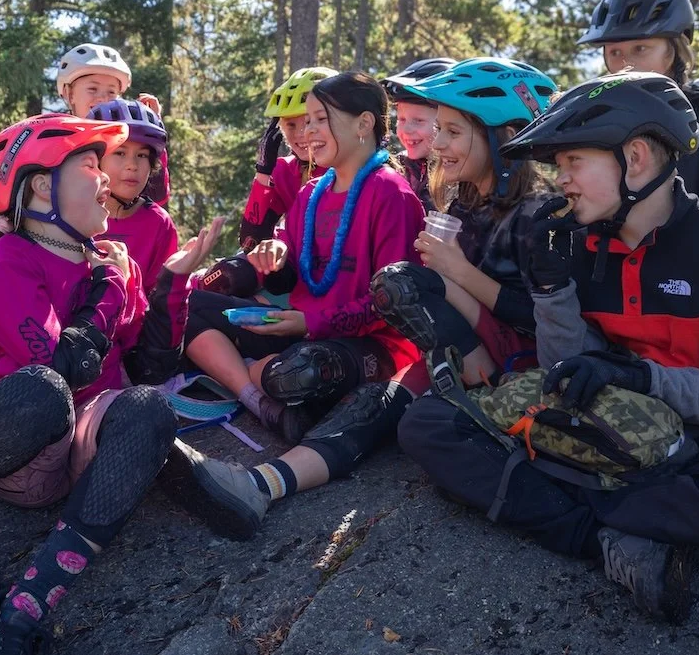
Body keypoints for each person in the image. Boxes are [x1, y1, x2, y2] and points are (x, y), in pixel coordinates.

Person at [0, 113, 247, 653]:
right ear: (41, 185)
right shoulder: (6, 258)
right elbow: (66, 365)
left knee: (147, 406)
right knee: (42, 389)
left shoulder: (101, 263)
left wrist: (171, 281)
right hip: (22, 449)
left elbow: (152, 364)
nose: (107, 178)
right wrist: (110, 284)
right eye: (91, 164)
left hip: (84, 451)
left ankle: (23, 605)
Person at [398, 72, 699, 623]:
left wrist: (640, 376)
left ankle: (589, 517)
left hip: (697, 451)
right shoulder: (580, 242)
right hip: (602, 434)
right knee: (427, 427)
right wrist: (552, 289)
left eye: (573, 162)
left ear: (636, 158)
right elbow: (560, 369)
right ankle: (605, 540)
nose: (562, 181)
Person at [172, 73, 426, 538]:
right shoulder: (311, 193)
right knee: (193, 304)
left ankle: (264, 381)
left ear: (363, 124)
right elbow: (289, 251)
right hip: (303, 327)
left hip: (364, 342)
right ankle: (261, 400)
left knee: (297, 372)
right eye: (304, 121)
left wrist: (310, 321)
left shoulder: (392, 193)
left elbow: (393, 300)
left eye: (320, 119)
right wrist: (276, 255)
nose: (306, 132)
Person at [371, 57, 557, 387]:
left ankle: (486, 385)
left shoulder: (538, 211)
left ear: (507, 139)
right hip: (468, 337)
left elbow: (543, 320)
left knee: (404, 282)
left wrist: (457, 271)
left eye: (453, 132)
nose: (438, 143)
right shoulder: (466, 200)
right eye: (439, 128)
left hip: (522, 358)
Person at [578, 0, 699, 213]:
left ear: (674, 51)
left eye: (640, 48)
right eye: (615, 52)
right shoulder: (598, 122)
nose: (626, 63)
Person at [57, 42, 171, 205]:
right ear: (69, 94)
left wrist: (153, 128)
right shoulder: (55, 139)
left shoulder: (127, 141)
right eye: (92, 89)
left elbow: (155, 194)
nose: (103, 98)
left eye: (111, 92)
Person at [86, 99, 179, 296]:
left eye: (142, 155)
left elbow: (161, 301)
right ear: (94, 161)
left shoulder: (158, 223)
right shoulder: (73, 215)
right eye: (120, 152)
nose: (133, 165)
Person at [239, 67, 336, 251]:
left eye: (309, 122)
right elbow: (250, 241)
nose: (301, 134)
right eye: (291, 125)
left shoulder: (350, 168)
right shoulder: (284, 170)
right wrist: (263, 171)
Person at [380, 57, 456, 211]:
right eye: (401, 119)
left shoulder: (457, 175)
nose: (406, 130)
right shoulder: (397, 168)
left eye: (419, 120)